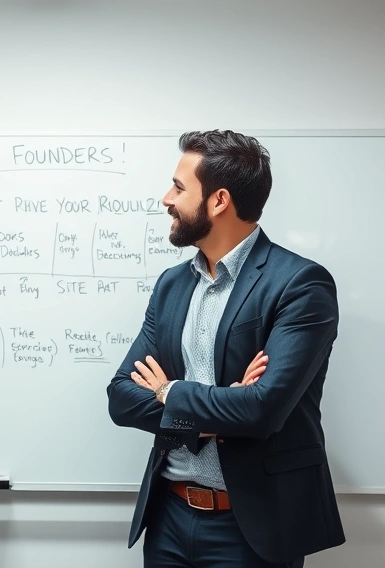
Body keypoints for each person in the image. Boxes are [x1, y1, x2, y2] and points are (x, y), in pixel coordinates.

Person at [107, 130, 345, 567]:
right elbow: (121, 397)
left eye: (179, 188)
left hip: (252, 526)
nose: (166, 199)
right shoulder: (171, 285)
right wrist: (221, 410)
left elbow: (262, 411)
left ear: (218, 201)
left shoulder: (299, 284)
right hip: (168, 519)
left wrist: (168, 393)